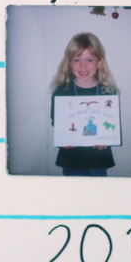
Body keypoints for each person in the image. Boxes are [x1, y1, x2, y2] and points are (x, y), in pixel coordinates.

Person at [50, 32, 118, 176]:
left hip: (98, 158)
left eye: (89, 60)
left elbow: (111, 123)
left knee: (97, 196)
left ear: (99, 62)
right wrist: (64, 137)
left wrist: (106, 139)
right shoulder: (62, 92)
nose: (83, 66)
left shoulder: (108, 93)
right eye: (77, 60)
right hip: (71, 157)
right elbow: (56, 122)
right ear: (69, 62)